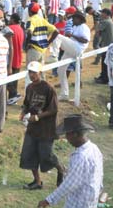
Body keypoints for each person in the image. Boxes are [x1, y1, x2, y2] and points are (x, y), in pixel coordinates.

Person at [37, 114, 104, 208]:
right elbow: (99, 176)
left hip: (79, 203)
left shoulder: (81, 157)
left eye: (67, 134)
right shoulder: (94, 149)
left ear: (75, 134)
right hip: (90, 201)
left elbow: (68, 185)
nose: (66, 138)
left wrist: (47, 201)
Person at [19, 61, 66, 190]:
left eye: (34, 72)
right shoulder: (29, 88)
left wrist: (38, 117)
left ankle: (61, 169)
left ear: (40, 73)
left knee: (47, 155)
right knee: (29, 154)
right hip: (32, 128)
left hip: (46, 128)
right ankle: (37, 181)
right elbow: (27, 103)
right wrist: (24, 112)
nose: (32, 75)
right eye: (30, 72)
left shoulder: (48, 89)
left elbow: (54, 109)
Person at [94, 9, 113, 85]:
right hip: (108, 44)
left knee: (105, 63)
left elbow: (97, 31)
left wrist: (97, 21)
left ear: (106, 14)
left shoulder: (106, 22)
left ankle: (105, 79)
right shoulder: (108, 21)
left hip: (107, 45)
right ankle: (103, 76)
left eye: (102, 13)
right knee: (105, 62)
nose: (101, 14)